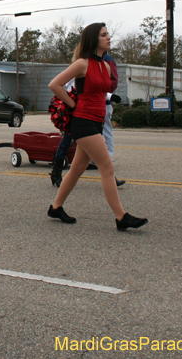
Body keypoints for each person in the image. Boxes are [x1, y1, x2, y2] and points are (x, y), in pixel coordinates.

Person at [46, 23, 147, 231]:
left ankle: (55, 207)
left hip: (97, 121)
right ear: (94, 39)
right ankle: (121, 217)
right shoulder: (81, 64)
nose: (108, 37)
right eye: (103, 35)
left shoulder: (106, 66)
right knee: (107, 167)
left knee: (76, 169)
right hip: (82, 121)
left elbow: (101, 93)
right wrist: (73, 104)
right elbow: (54, 84)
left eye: (108, 34)